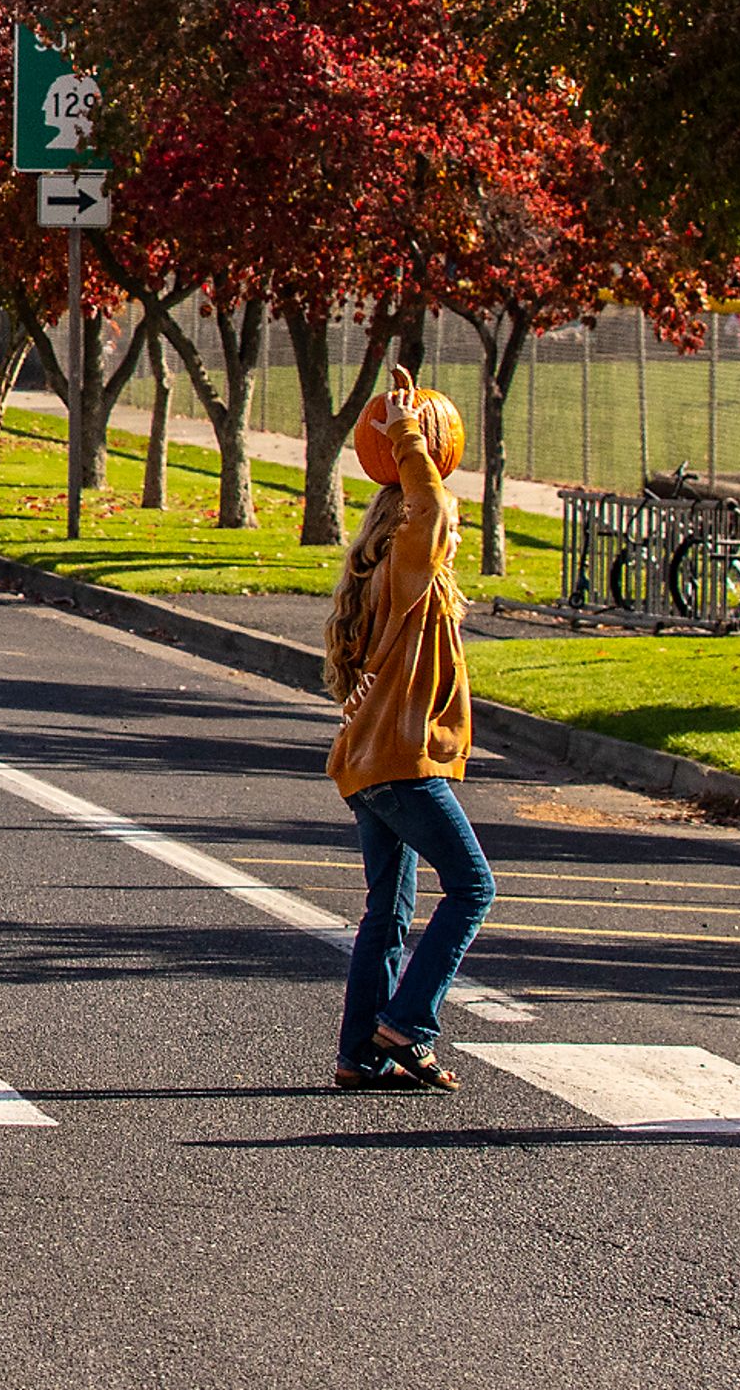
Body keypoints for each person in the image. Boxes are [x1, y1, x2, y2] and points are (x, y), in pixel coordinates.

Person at [322, 367, 492, 1092]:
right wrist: (406, 430)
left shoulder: (382, 570)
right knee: (473, 887)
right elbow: (434, 503)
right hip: (400, 760)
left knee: (387, 913)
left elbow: (425, 505)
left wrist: (404, 433)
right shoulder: (407, 564)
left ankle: (359, 1052)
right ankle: (408, 1023)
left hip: (366, 760)